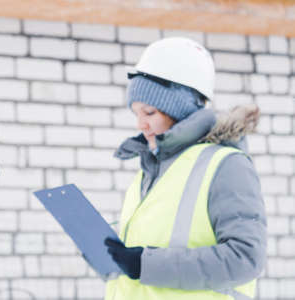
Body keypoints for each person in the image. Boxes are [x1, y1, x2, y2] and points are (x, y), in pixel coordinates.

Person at [104, 37, 267, 300]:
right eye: (136, 114)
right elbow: (139, 266)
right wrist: (109, 254)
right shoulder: (148, 173)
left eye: (149, 112)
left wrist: (146, 264)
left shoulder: (226, 165)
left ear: (179, 109)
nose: (140, 125)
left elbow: (246, 258)